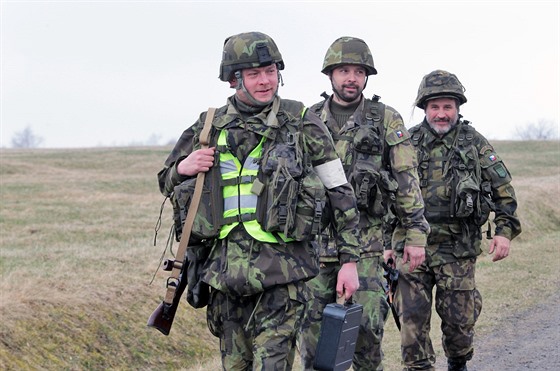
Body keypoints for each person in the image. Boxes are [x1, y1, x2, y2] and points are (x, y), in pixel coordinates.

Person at [157, 31, 361, 370]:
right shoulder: (208, 127)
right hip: (224, 279)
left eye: (270, 71)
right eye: (254, 74)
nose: (266, 81)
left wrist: (349, 261)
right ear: (234, 80)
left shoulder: (300, 122)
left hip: (283, 277)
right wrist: (183, 167)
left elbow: (340, 192)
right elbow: (165, 181)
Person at [298, 36, 430, 370]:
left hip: (367, 249)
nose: (351, 78)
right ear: (330, 75)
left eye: (358, 71)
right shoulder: (307, 118)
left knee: (366, 340)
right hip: (314, 249)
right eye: (343, 70)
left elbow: (406, 178)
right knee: (313, 344)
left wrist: (414, 233)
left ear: (367, 76)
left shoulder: (385, 118)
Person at [392, 70, 522, 371]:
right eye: (434, 107)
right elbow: (389, 197)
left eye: (447, 106)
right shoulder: (406, 143)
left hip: (458, 249)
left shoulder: (474, 143)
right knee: (411, 322)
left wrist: (503, 233)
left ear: (457, 108)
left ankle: (457, 362)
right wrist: (389, 245)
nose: (441, 114)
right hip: (413, 248)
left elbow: (505, 193)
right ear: (425, 108)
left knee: (459, 326)